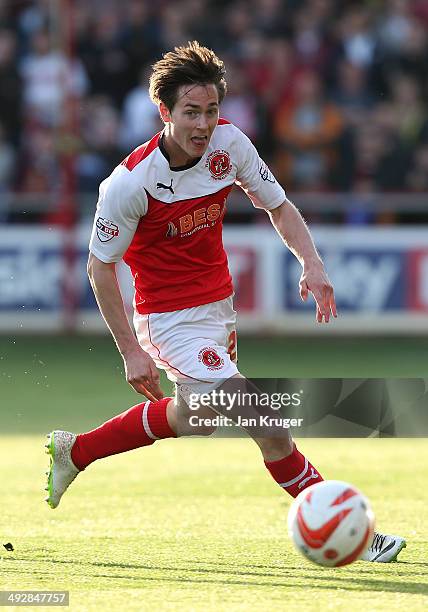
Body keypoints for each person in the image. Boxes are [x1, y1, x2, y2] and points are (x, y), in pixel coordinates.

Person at [45, 41, 405, 563]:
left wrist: (314, 263)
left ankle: (74, 450)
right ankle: (350, 532)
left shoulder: (230, 147)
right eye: (191, 112)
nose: (203, 123)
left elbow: (279, 206)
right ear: (164, 112)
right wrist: (130, 350)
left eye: (212, 111)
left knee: (199, 417)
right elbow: (100, 266)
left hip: (219, 308)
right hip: (168, 322)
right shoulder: (128, 184)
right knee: (263, 417)